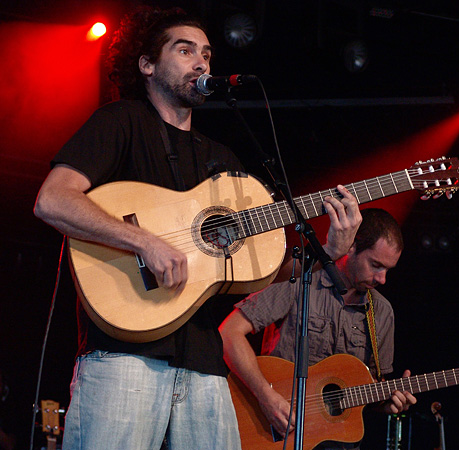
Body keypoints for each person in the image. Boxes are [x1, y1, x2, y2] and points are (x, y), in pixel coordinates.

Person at [33, 6, 360, 450]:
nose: (202, 62)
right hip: (124, 357)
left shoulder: (225, 165)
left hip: (206, 369)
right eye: (184, 50)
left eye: (206, 53)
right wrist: (143, 241)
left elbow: (269, 272)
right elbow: (53, 200)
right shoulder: (121, 122)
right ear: (147, 64)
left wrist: (328, 247)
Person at [219, 208, 417, 450]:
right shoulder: (300, 279)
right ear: (352, 247)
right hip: (277, 435)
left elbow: (369, 386)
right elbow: (229, 333)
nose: (382, 278)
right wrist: (265, 396)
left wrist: (386, 402)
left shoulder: (382, 311)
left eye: (388, 269)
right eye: (376, 265)